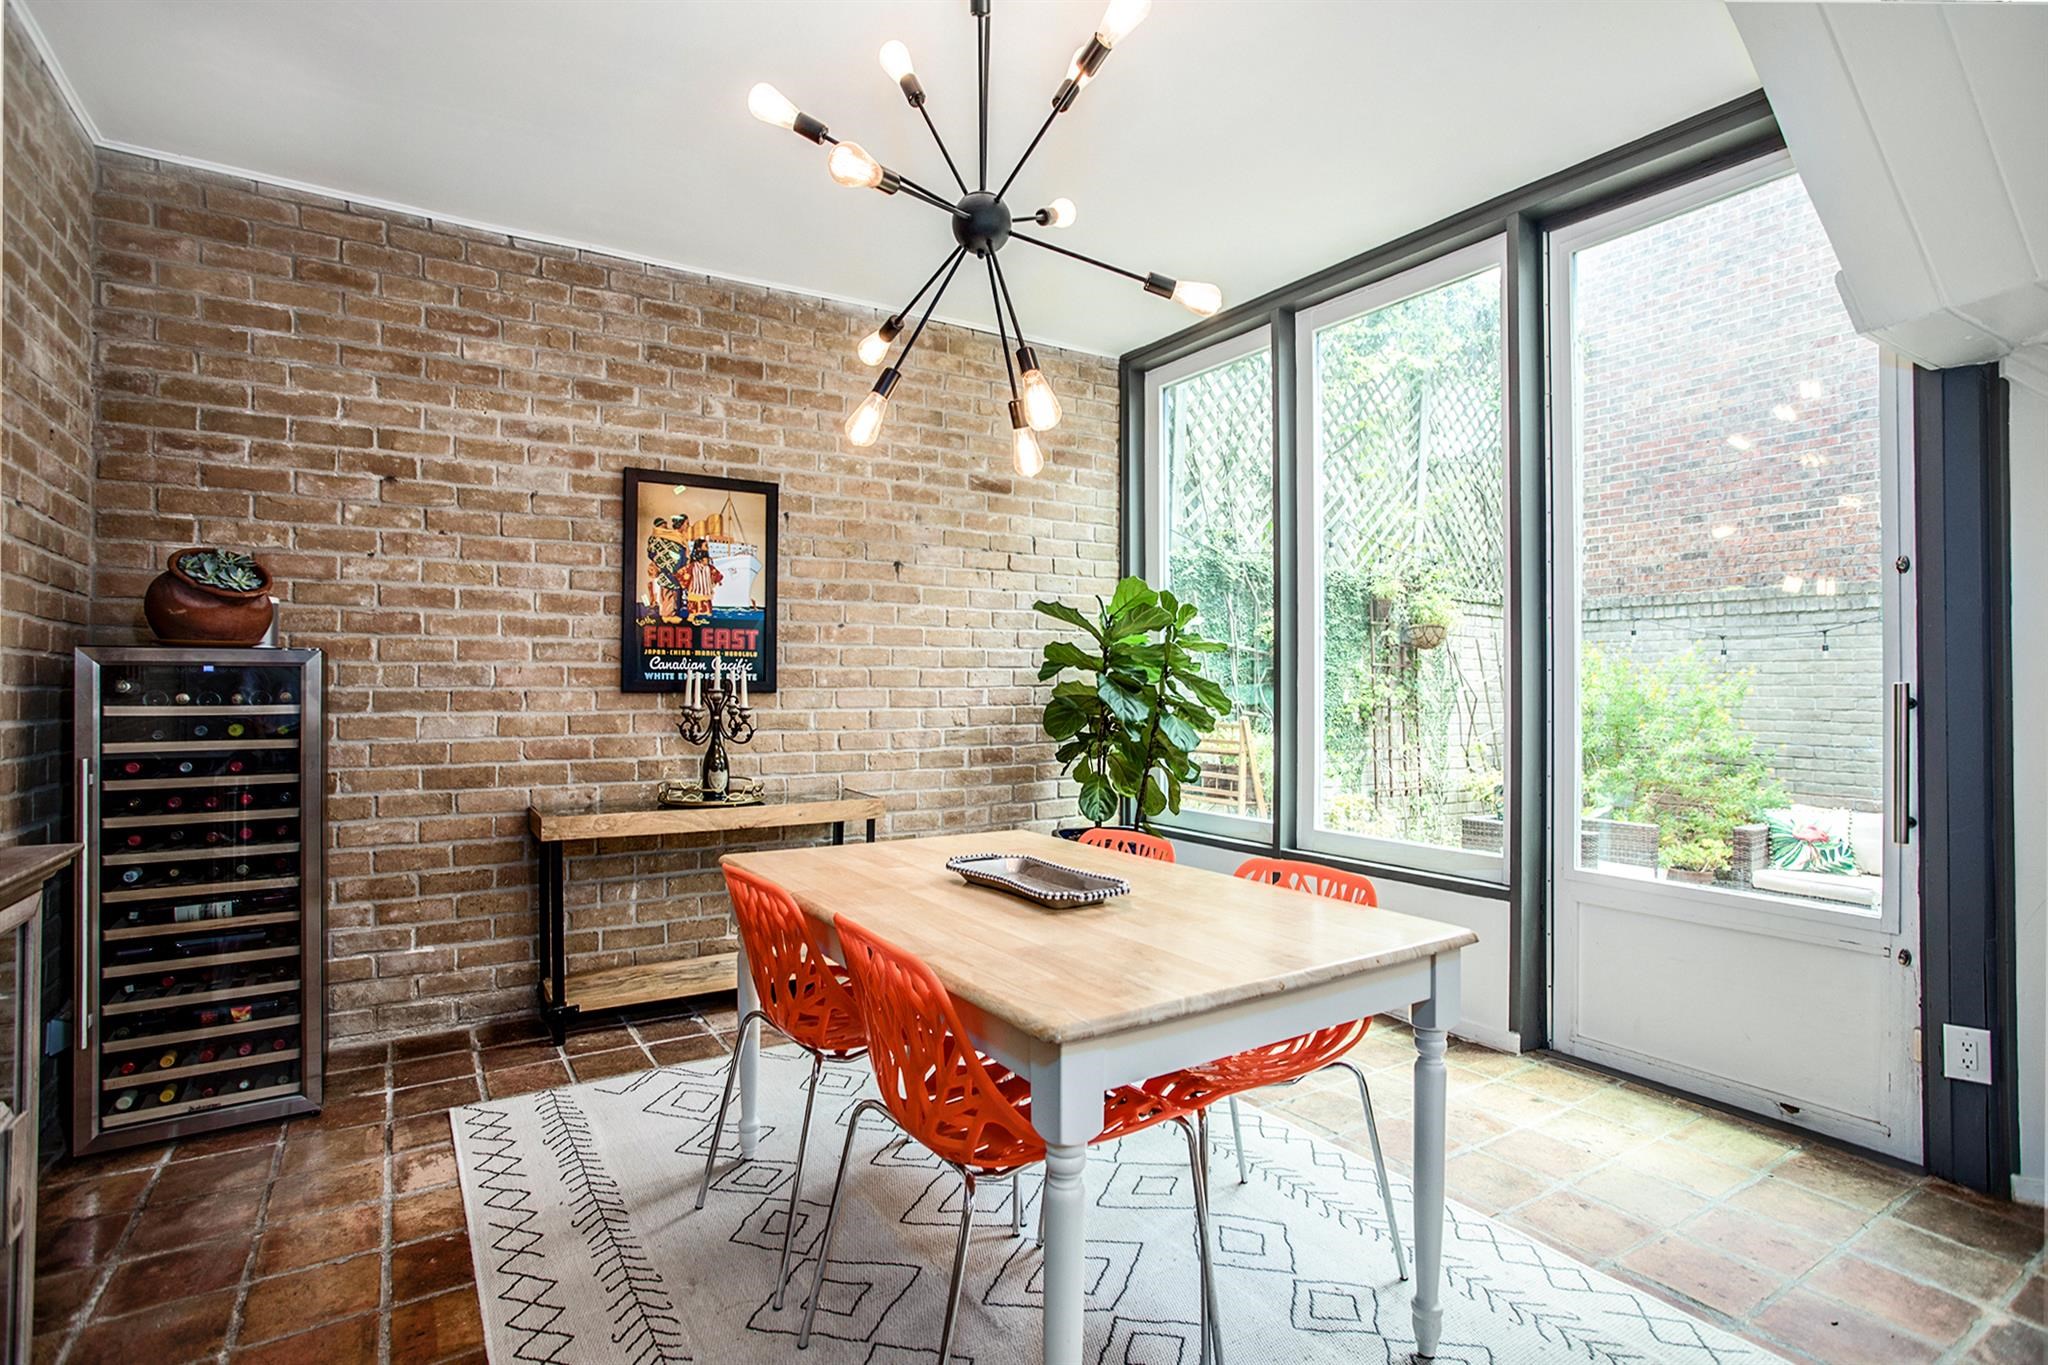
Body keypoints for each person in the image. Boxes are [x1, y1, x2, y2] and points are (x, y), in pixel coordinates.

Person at [683, 538, 724, 624]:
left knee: (704, 603)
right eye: (706, 546)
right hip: (695, 587)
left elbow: (713, 572)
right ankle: (693, 617)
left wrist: (717, 579)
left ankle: (701, 617)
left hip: (704, 586)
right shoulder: (692, 565)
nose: (708, 548)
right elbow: (685, 574)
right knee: (694, 603)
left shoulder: (708, 566)